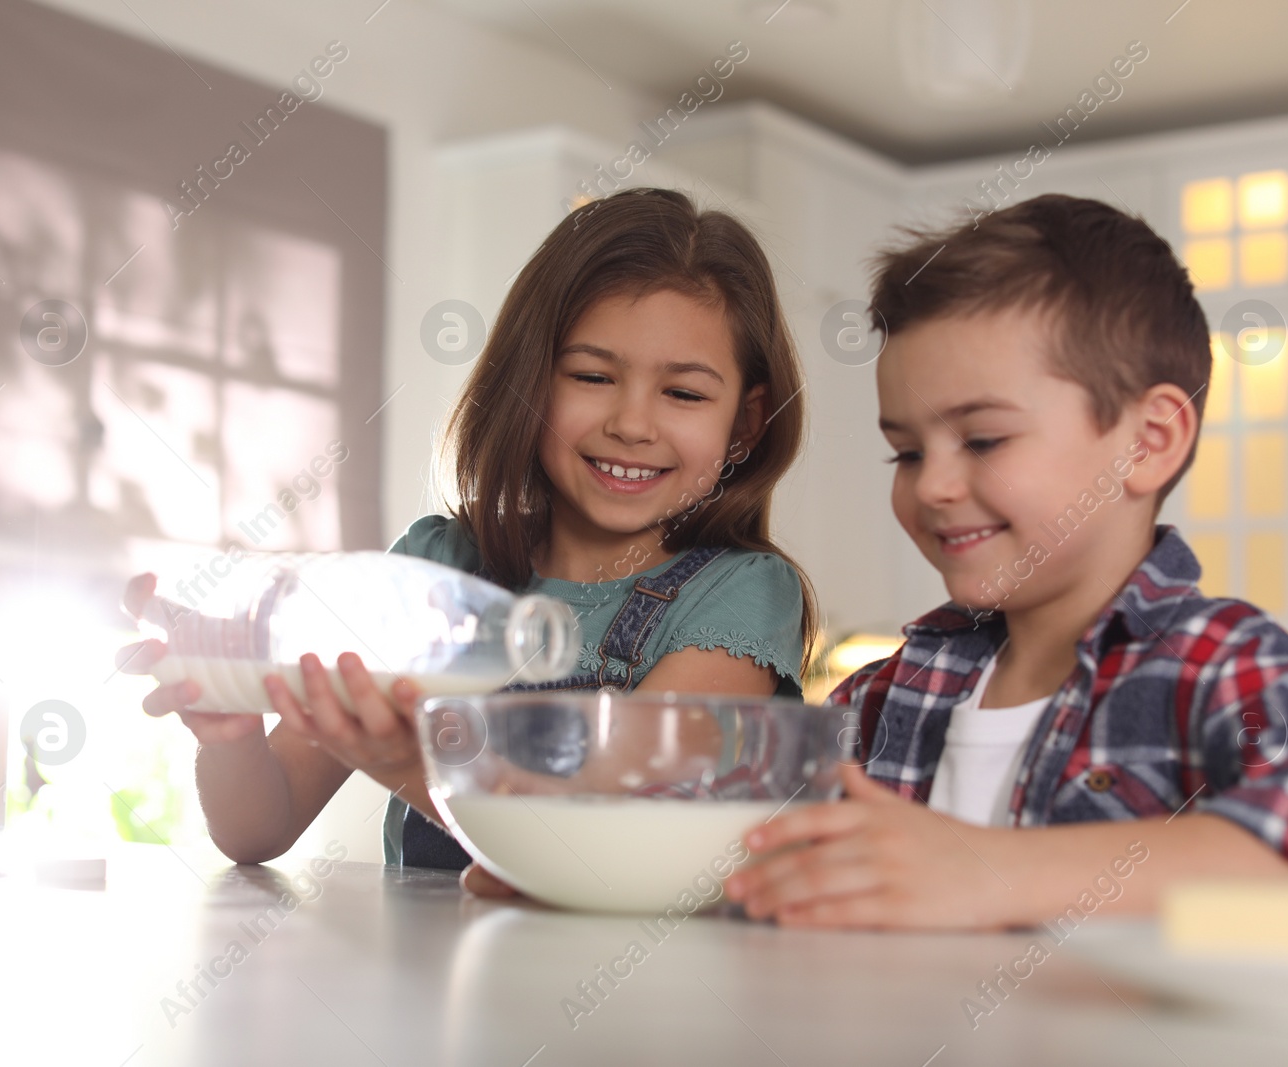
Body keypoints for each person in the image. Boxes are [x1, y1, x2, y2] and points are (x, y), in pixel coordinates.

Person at [724, 194, 1288, 930]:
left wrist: (986, 872)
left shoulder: (1217, 666)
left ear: (1149, 440)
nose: (932, 485)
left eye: (983, 440)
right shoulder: (879, 695)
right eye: (907, 452)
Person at [119, 188, 817, 882]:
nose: (633, 424)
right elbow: (257, 830)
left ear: (747, 424)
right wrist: (233, 738)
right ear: (529, 383)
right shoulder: (434, 563)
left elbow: (590, 854)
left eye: (684, 393)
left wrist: (403, 761)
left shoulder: (740, 597)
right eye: (593, 375)